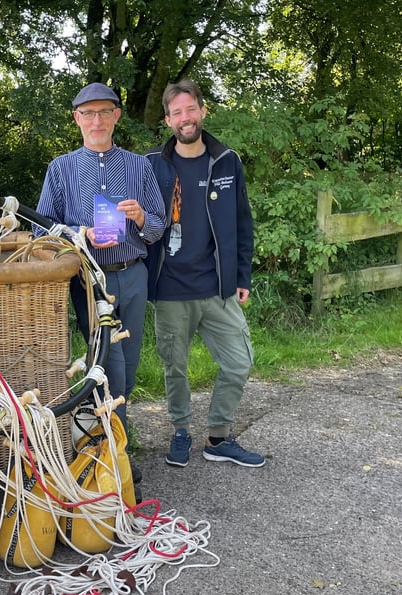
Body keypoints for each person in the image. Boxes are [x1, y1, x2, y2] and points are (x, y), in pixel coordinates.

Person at [34, 82, 167, 467]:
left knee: (129, 357)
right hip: (88, 279)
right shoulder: (60, 169)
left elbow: (158, 227)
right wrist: (82, 234)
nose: (97, 120)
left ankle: (110, 443)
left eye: (104, 112)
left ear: (116, 117)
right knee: (108, 361)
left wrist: (141, 217)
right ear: (77, 119)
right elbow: (43, 231)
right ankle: (114, 453)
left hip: (133, 274)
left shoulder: (139, 166)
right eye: (88, 113)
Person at [144, 79, 265, 469]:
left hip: (217, 288)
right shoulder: (150, 165)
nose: (185, 117)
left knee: (238, 362)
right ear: (167, 119)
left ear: (202, 110)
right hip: (169, 289)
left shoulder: (226, 161)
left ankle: (218, 437)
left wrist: (241, 275)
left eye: (190, 109)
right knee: (174, 368)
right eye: (176, 112)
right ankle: (181, 431)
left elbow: (242, 223)